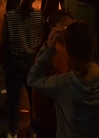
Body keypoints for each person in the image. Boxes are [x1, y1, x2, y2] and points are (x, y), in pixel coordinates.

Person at [27, 20, 99, 138]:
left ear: (69, 51)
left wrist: (48, 49)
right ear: (93, 46)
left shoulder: (63, 83)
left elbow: (32, 79)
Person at [0, 0, 42, 138]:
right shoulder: (38, 16)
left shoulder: (10, 16)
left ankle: (13, 131)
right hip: (31, 61)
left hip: (14, 61)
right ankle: (33, 128)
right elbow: (39, 37)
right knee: (33, 98)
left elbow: (4, 42)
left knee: (13, 99)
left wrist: (3, 61)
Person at [30, 10, 74, 138]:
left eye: (71, 25)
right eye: (65, 24)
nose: (68, 29)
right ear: (52, 28)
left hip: (48, 115)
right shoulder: (55, 51)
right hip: (51, 115)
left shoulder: (61, 48)